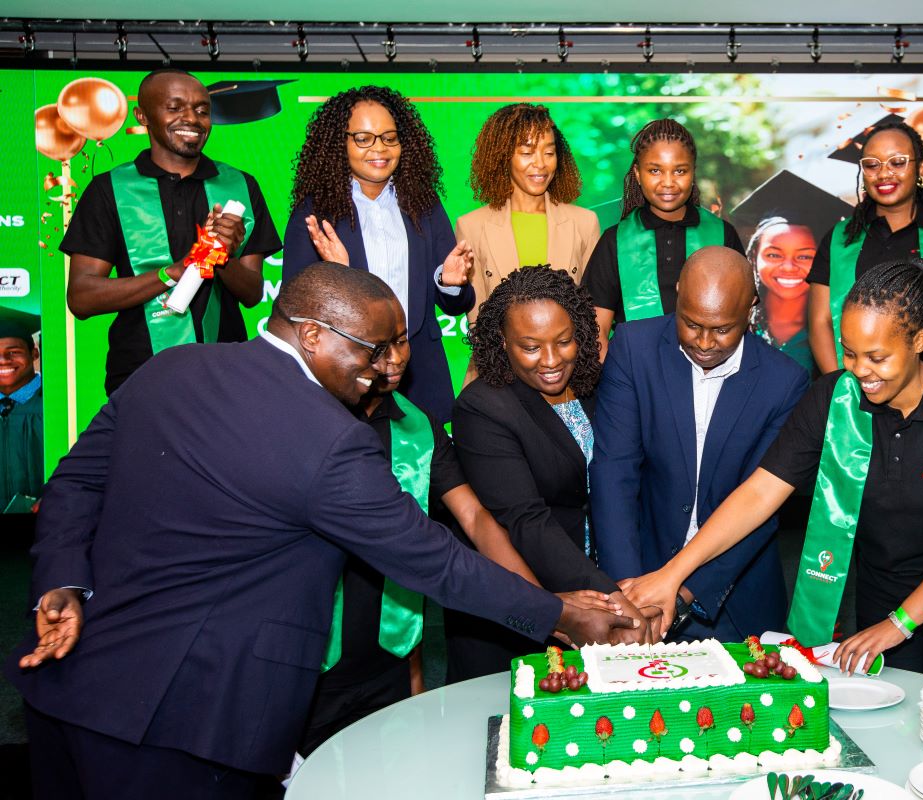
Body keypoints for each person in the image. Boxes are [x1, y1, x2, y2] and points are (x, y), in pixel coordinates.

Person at [6, 262, 634, 799]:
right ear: (311, 334)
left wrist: (61, 581)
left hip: (68, 688)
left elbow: (73, 483)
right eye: (372, 349)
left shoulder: (172, 368)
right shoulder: (331, 438)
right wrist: (559, 614)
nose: (384, 367)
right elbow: (431, 560)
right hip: (186, 727)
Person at [623, 258, 923, 675]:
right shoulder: (833, 399)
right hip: (879, 596)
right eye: (849, 353)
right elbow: (759, 493)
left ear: (919, 340)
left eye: (877, 357)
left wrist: (899, 624)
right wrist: (672, 575)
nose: (859, 371)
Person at [299, 293, 547, 757]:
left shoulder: (420, 426)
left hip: (386, 659)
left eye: (402, 341)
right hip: (307, 662)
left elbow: (474, 517)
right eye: (380, 347)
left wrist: (540, 605)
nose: (395, 360)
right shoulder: (306, 419)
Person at [449, 266, 657, 680]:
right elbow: (525, 520)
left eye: (563, 341)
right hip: (529, 597)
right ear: (502, 341)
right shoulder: (482, 408)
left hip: (601, 581)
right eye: (530, 347)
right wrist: (612, 597)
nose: (551, 360)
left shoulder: (598, 384)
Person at [591, 246, 809, 641]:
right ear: (678, 293)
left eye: (722, 329)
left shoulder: (785, 381)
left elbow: (761, 504)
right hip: (638, 579)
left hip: (734, 597)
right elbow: (614, 472)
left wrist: (680, 592)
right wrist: (628, 592)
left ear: (751, 309)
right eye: (691, 324)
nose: (705, 342)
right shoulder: (633, 348)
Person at [61, 68, 280, 395]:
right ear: (142, 116)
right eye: (175, 107)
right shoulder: (110, 189)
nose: (192, 118)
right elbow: (82, 298)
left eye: (202, 110)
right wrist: (172, 273)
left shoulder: (239, 186)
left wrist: (220, 257)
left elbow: (251, 294)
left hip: (224, 374)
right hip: (140, 374)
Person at [283, 85, 474, 424]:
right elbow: (291, 309)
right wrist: (337, 277)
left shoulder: (423, 204)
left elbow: (455, 304)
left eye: (389, 138)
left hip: (419, 376)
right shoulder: (315, 212)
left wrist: (449, 283)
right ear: (340, 143)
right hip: (347, 375)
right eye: (363, 139)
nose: (379, 149)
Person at [806, 121, 923, 376]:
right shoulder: (840, 238)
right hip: (854, 385)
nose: (884, 173)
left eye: (897, 162)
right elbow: (820, 322)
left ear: (921, 167)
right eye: (872, 165)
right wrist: (841, 388)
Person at [581, 119, 743, 353]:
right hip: (635, 370)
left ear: (693, 173)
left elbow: (740, 318)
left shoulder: (722, 235)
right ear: (638, 174)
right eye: (655, 170)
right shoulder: (614, 241)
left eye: (680, 171)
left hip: (711, 369)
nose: (668, 183)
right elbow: (597, 334)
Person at [455, 103, 600, 323]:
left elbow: (594, 310)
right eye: (527, 152)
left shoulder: (584, 222)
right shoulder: (472, 225)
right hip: (499, 345)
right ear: (503, 156)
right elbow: (477, 318)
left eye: (549, 153)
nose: (541, 163)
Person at [747, 217, 818, 373]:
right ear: (754, 257)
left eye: (804, 256)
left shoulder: (831, 332)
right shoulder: (738, 324)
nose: (788, 267)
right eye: (774, 255)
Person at [0, 314, 43, 511]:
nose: (3, 361)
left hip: (51, 519)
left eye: (14, 352)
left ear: (34, 353)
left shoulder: (57, 404)